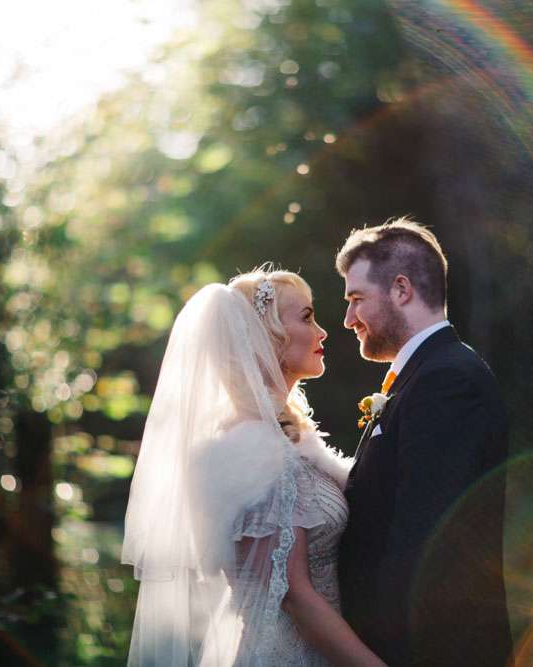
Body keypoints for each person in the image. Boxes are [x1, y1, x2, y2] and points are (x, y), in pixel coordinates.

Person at [122, 267, 386, 666]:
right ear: (268, 338)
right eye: (307, 317)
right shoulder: (249, 451)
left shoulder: (289, 439)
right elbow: (294, 597)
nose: (322, 332)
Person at [336, 219, 512, 665]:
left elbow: (427, 542)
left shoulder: (447, 380)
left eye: (356, 299)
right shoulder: (425, 376)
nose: (348, 320)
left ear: (401, 289)